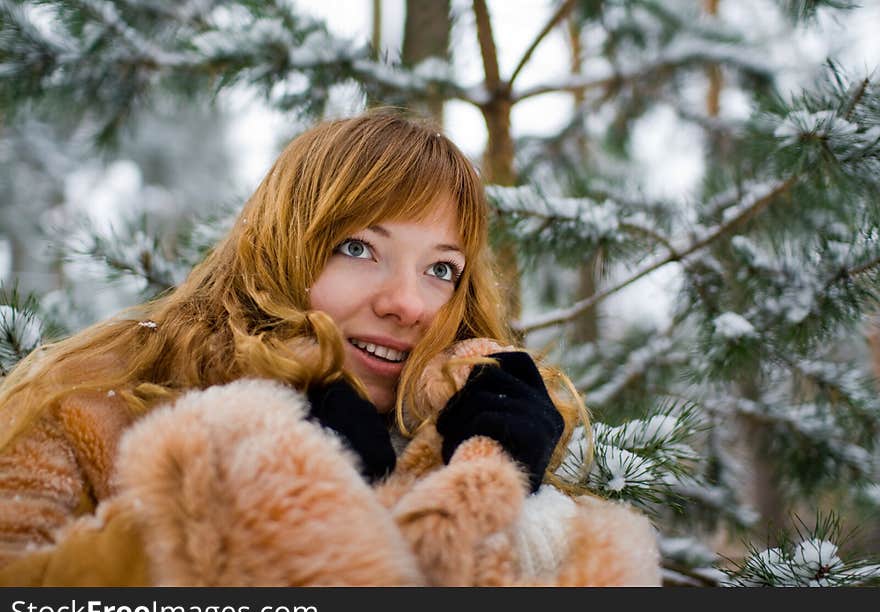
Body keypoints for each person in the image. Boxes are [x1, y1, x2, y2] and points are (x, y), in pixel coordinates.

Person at [0, 109, 610, 585]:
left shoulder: (449, 425)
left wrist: (506, 508)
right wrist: (259, 507)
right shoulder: (96, 403)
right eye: (358, 248)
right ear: (281, 248)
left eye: (441, 269)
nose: (409, 304)